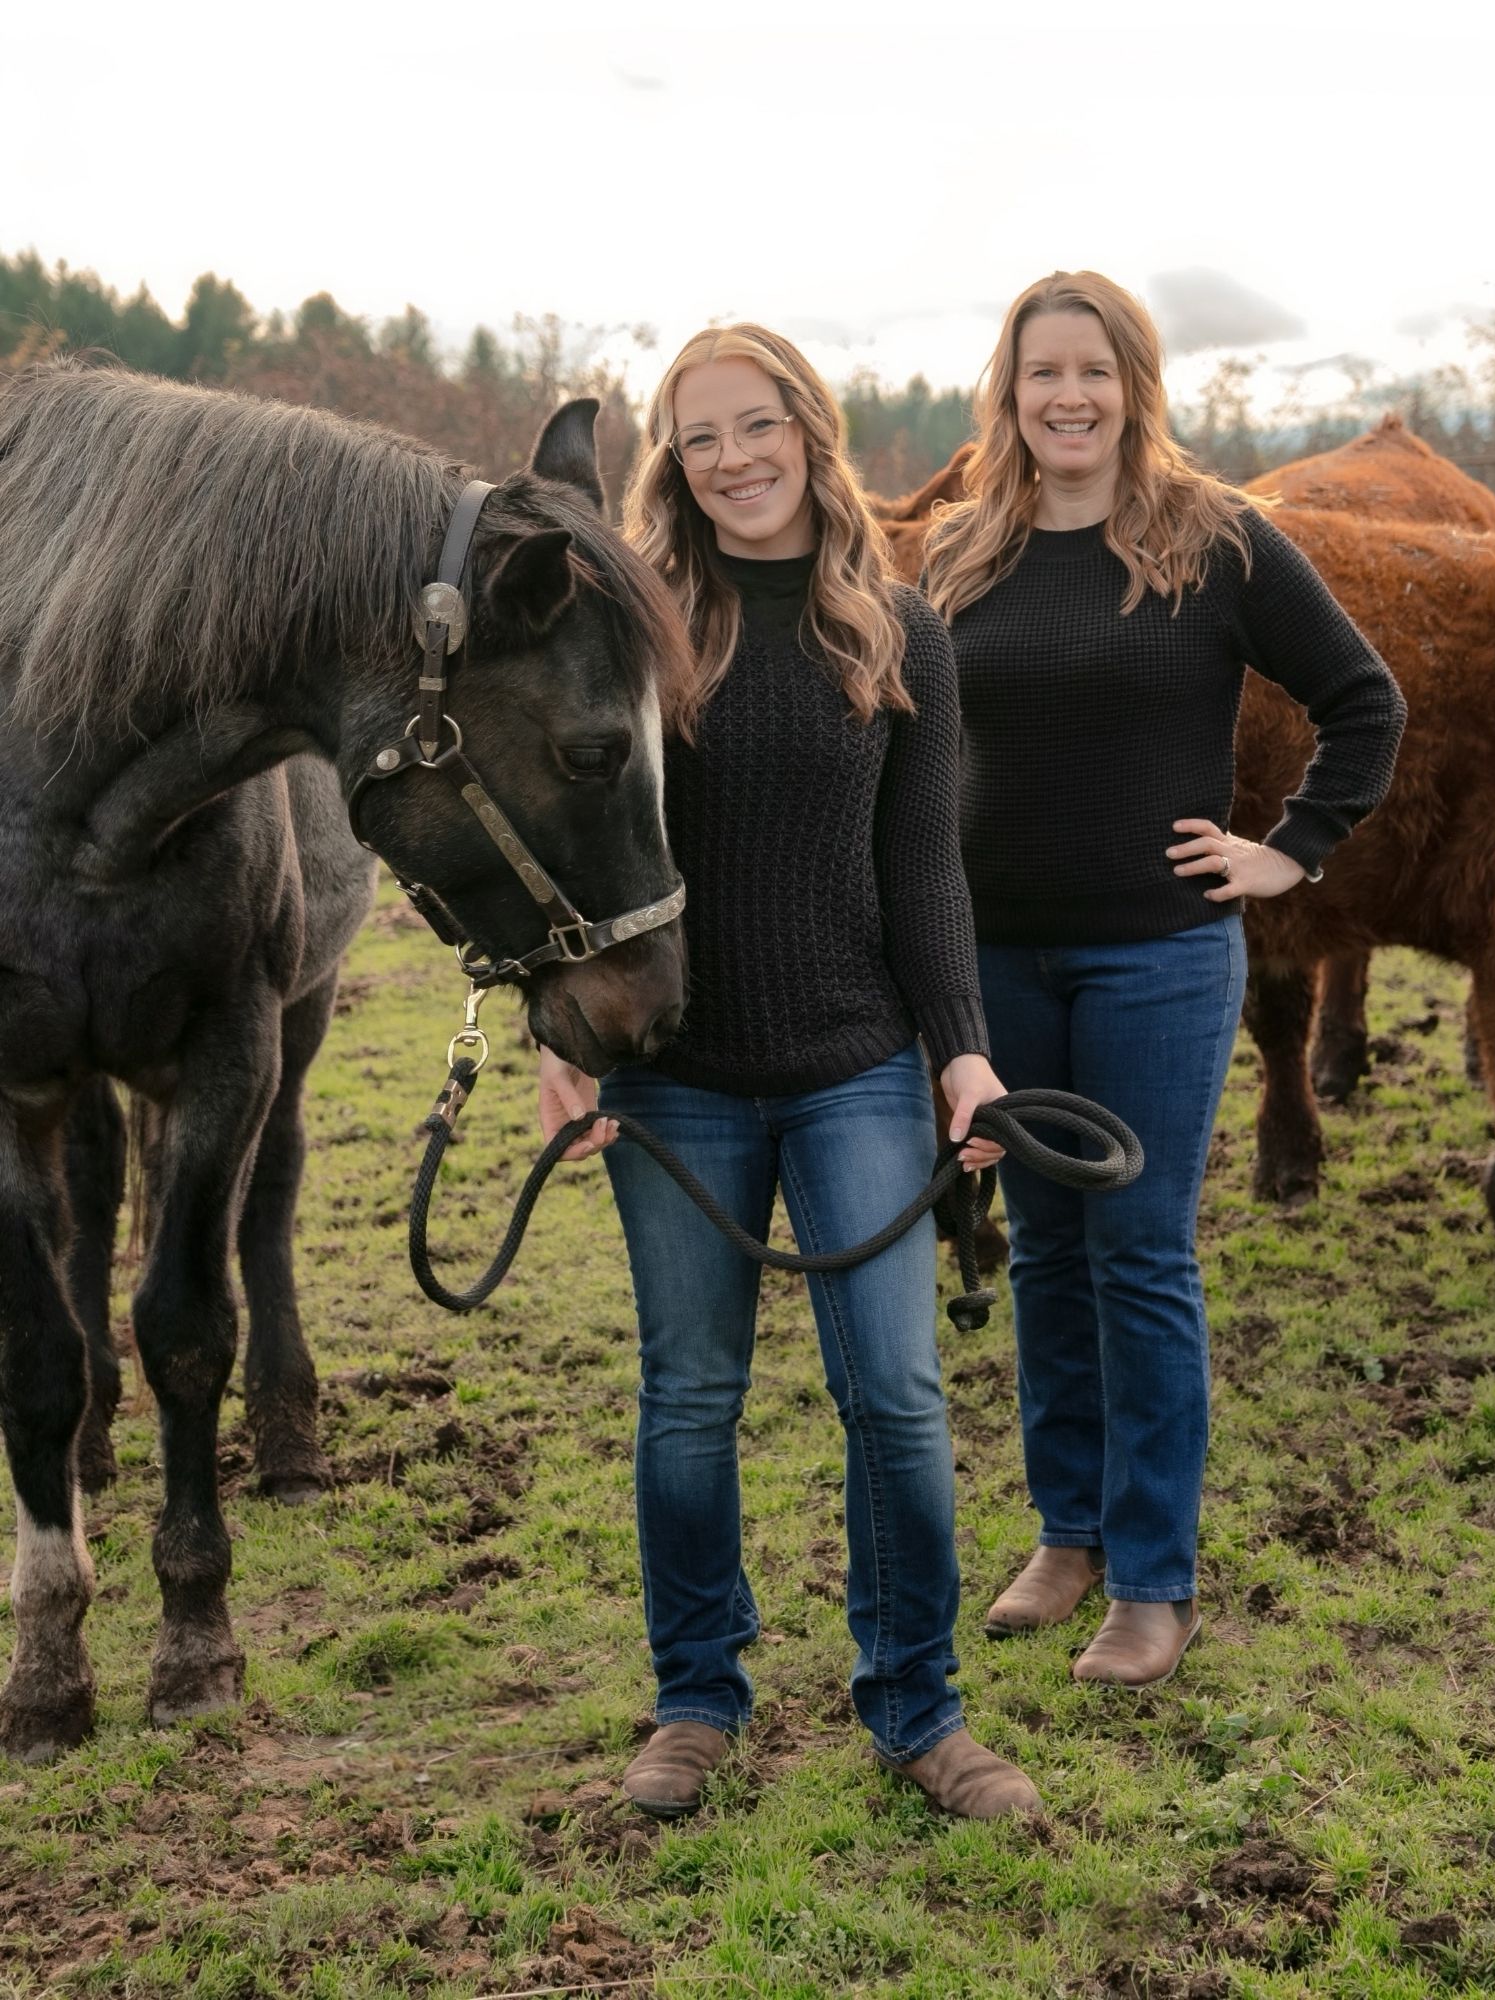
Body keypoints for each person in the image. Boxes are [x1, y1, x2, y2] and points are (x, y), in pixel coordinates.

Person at [538, 324, 1039, 1819]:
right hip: (674, 1072)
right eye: (701, 438)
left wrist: (960, 1056)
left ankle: (919, 1707)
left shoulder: (895, 631)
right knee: (687, 1395)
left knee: (890, 1393)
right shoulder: (627, 629)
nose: (733, 459)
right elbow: (557, 849)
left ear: (807, 433)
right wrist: (559, 1044)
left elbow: (923, 876)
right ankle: (695, 1697)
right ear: (671, 465)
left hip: (853, 1068)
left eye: (756, 427)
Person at [925, 272, 1406, 1686]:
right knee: (1044, 1256)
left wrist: (1289, 851)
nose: (1065, 395)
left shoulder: (1216, 542)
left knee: (1135, 1256)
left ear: (1135, 383)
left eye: (1093, 369)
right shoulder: (960, 555)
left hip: (1154, 958)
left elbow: (1361, 700)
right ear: (1006, 395)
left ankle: (1151, 1574)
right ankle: (1065, 1534)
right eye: (1039, 373)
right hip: (997, 962)